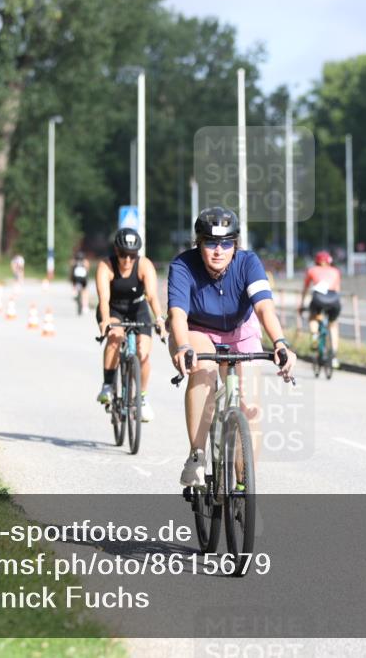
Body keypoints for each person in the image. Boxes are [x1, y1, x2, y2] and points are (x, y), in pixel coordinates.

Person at [168, 207, 296, 487]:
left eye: (226, 243)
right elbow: (177, 315)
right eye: (211, 243)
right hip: (197, 331)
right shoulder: (182, 266)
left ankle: (245, 487)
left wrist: (280, 342)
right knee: (203, 369)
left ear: (235, 245)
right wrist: (183, 347)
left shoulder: (249, 262)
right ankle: (197, 456)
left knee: (250, 410)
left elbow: (263, 307)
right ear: (198, 244)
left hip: (241, 331)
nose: (218, 251)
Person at [95, 228, 165, 422]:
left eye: (132, 256)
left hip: (137, 309)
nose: (127, 261)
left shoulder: (144, 265)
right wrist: (106, 321)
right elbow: (103, 298)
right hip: (113, 309)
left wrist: (159, 318)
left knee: (143, 353)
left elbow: (151, 295)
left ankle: (141, 398)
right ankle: (108, 385)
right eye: (123, 255)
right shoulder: (106, 266)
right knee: (115, 337)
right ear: (116, 251)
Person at [299, 250, 342, 369]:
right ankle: (333, 354)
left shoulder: (312, 270)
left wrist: (301, 305)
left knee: (313, 317)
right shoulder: (336, 271)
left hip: (318, 298)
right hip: (333, 299)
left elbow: (306, 289)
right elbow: (338, 290)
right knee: (333, 325)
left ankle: (314, 336)